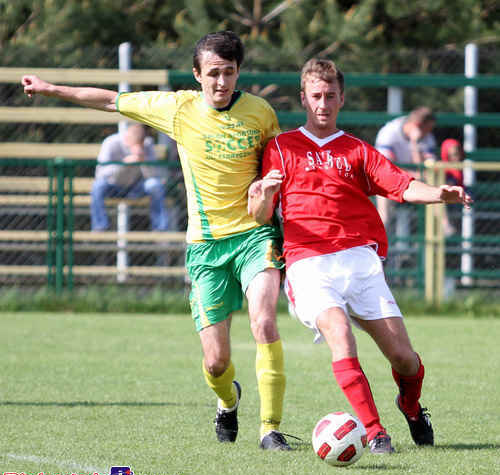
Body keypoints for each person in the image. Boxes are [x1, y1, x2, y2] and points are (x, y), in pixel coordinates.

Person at [21, 31, 290, 450]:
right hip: (205, 247)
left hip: (255, 235)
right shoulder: (178, 108)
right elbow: (110, 100)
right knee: (216, 362)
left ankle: (270, 429)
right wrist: (51, 88)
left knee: (265, 321)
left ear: (240, 72)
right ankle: (228, 400)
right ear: (198, 75)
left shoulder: (261, 113)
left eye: (230, 73)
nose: (222, 82)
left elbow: (278, 165)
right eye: (214, 73)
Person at [248, 58, 472, 453]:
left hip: (360, 261)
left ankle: (411, 405)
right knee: (340, 333)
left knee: (404, 358)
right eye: (315, 96)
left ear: (342, 98)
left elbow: (401, 184)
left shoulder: (357, 150)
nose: (322, 103)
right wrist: (265, 196)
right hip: (308, 263)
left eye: (330, 96)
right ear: (303, 97)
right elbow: (260, 214)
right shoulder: (281, 148)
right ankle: (374, 431)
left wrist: (438, 193)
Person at [374, 107, 437, 244]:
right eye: (427, 129)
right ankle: (378, 247)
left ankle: (443, 230)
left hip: (413, 183)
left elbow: (425, 169)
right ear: (417, 125)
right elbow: (384, 168)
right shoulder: (389, 132)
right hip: (389, 181)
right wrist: (411, 174)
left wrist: (415, 144)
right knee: (384, 216)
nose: (429, 133)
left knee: (436, 191)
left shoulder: (426, 138)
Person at [91, 123, 169, 231]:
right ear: (126, 138)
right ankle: (100, 227)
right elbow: (100, 173)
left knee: (155, 185)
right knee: (98, 186)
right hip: (113, 187)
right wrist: (123, 164)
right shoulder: (111, 142)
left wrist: (143, 161)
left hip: (136, 187)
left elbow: (153, 176)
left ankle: (160, 228)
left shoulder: (147, 144)